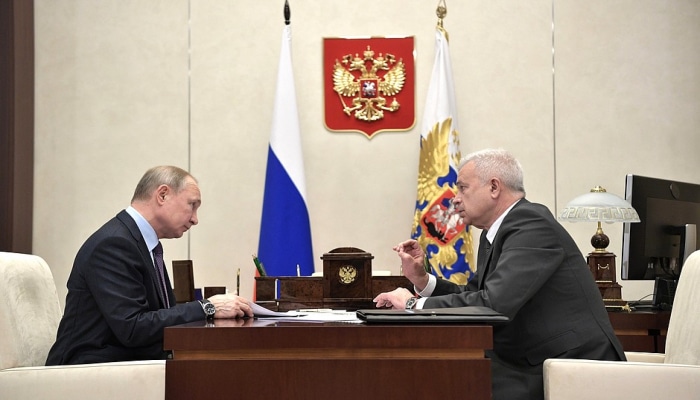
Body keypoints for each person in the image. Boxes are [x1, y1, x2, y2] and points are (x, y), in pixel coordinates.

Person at [374, 149, 625, 400]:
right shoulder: (495, 231)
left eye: (462, 188)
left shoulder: (531, 223)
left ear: (494, 187)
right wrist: (422, 280)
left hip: (569, 366)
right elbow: (474, 294)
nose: (455, 200)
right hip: (530, 360)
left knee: (445, 381)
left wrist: (412, 305)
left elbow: (493, 304)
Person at [46, 166, 253, 365]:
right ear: (162, 195)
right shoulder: (113, 244)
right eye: (192, 205)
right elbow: (133, 328)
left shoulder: (142, 244)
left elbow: (157, 317)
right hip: (90, 370)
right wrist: (207, 306)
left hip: (129, 364)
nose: (195, 219)